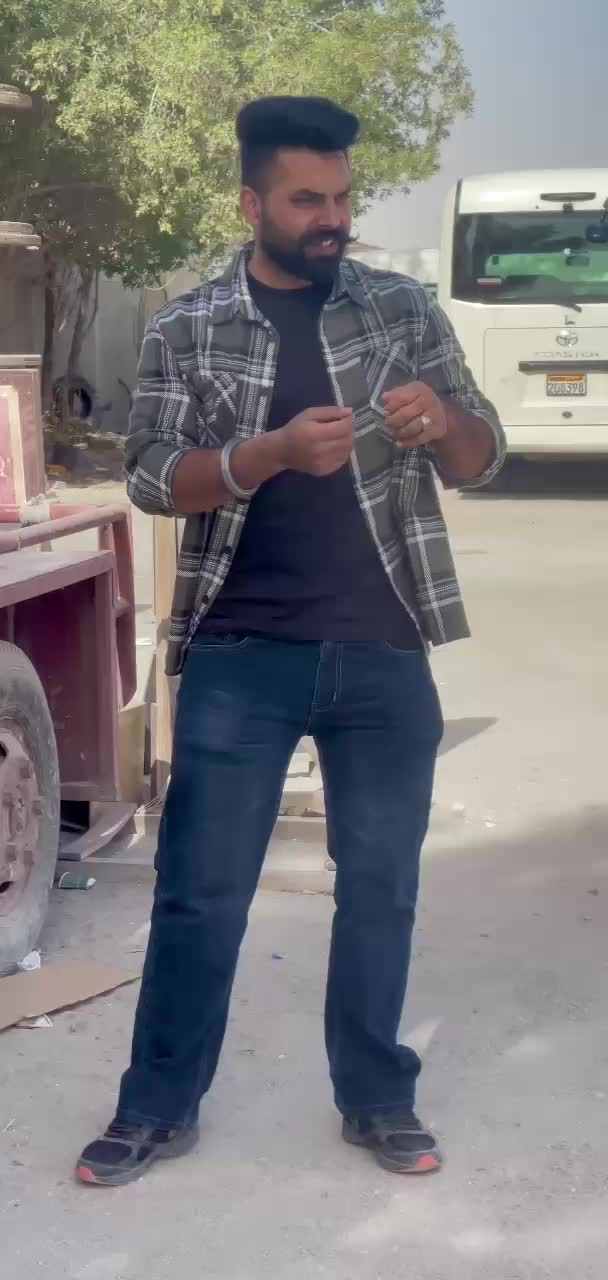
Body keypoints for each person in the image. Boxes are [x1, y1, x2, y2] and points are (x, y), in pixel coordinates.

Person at [76, 96, 505, 1187]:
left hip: (384, 649)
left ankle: (376, 1096)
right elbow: (150, 476)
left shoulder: (402, 309)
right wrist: (261, 455)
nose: (332, 219)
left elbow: (480, 453)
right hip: (241, 653)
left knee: (381, 889)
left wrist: (442, 423)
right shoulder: (187, 325)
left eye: (343, 198)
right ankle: (156, 1105)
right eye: (308, 200)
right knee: (199, 892)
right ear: (251, 203)